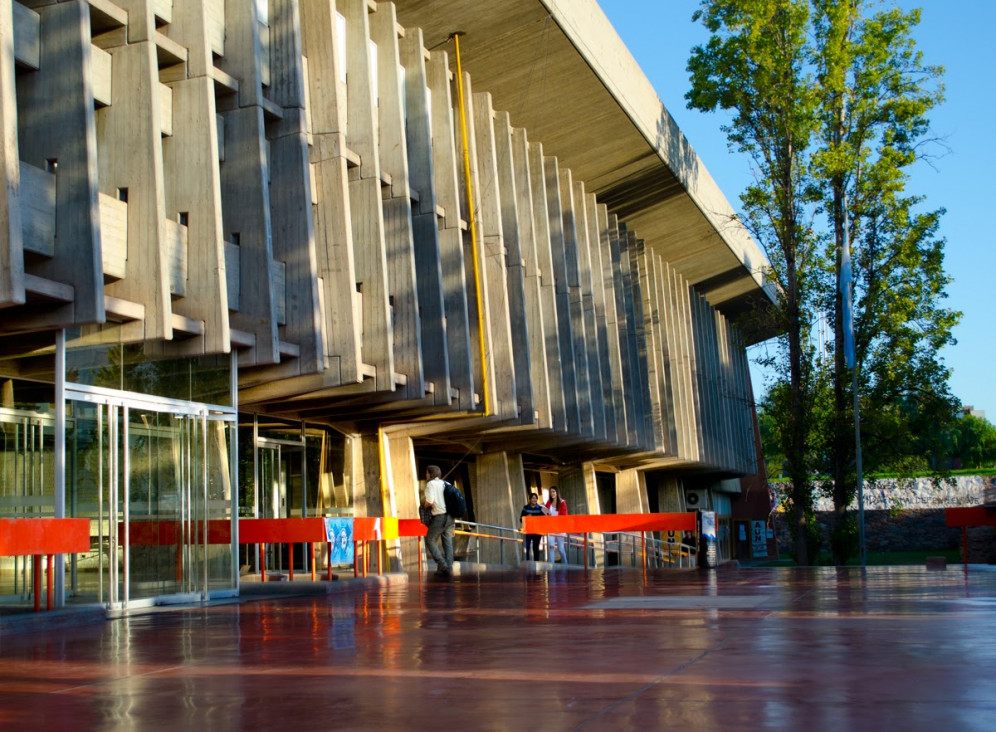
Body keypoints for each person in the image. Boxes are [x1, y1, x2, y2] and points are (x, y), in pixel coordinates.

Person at [422, 465, 454, 576]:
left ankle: (442, 563)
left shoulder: (430, 484)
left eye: (426, 473)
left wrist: (424, 506)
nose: (425, 475)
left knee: (430, 540)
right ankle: (448, 568)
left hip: (439, 516)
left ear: (430, 474)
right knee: (448, 542)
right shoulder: (447, 484)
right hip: (450, 517)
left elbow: (430, 501)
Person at [520, 493, 547, 561]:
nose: (534, 499)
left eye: (535, 498)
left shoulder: (541, 508)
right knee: (527, 547)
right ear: (530, 499)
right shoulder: (525, 507)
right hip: (528, 531)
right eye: (532, 498)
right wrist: (526, 517)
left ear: (537, 499)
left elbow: (547, 516)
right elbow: (520, 519)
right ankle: (527, 563)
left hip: (537, 531)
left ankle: (536, 563)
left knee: (536, 548)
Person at [545, 487, 568, 563]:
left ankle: (565, 563)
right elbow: (546, 512)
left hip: (560, 528)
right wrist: (542, 508)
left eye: (553, 492)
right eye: (551, 492)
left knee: (560, 548)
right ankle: (552, 565)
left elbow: (565, 516)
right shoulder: (548, 502)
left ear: (557, 492)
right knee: (551, 547)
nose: (552, 493)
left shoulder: (562, 502)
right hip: (551, 528)